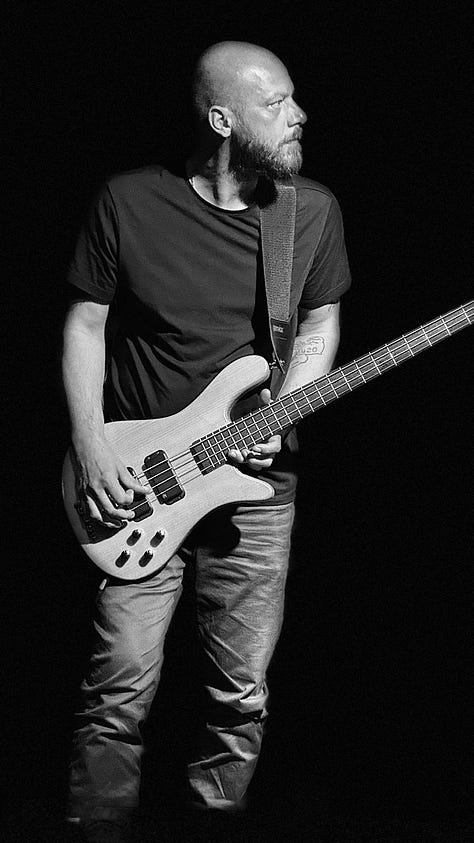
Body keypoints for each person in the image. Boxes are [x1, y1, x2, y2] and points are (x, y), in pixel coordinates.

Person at [62, 41, 351, 842]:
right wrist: (91, 447)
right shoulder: (127, 201)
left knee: (241, 694)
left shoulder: (310, 212)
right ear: (222, 120)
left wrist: (283, 411)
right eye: (277, 103)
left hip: (257, 491)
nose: (299, 115)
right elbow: (85, 324)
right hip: (139, 485)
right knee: (117, 687)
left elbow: (321, 317)